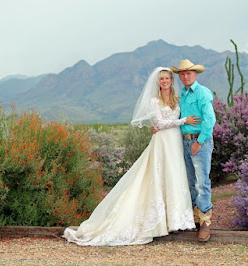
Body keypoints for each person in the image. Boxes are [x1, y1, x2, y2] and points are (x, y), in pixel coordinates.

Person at [63, 67, 200, 246]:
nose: (165, 81)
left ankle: (177, 220)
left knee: (175, 175)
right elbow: (159, 122)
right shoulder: (154, 101)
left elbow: (173, 120)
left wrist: (185, 125)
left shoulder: (177, 98)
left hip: (175, 142)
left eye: (167, 78)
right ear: (158, 82)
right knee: (159, 176)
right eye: (162, 79)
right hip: (162, 142)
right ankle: (159, 222)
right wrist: (183, 121)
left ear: (171, 81)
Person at [171, 59, 216, 242]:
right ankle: (195, 218)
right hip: (185, 141)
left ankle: (205, 221)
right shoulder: (182, 93)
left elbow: (210, 119)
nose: (185, 76)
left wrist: (200, 141)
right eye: (182, 73)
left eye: (188, 73)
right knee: (190, 181)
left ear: (195, 75)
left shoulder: (202, 93)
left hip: (199, 141)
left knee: (202, 181)